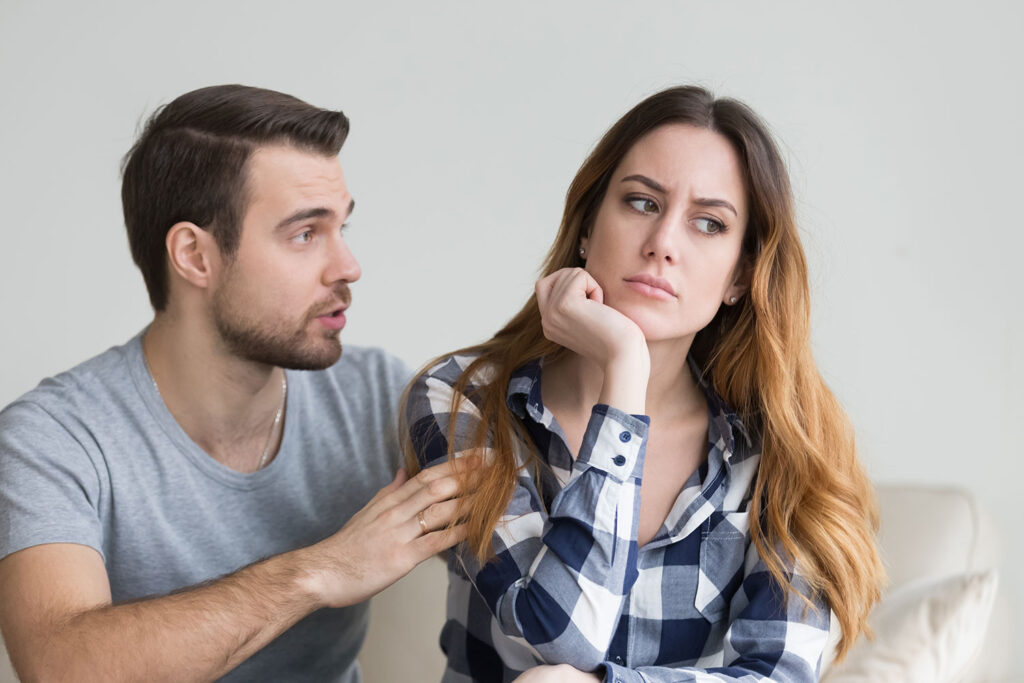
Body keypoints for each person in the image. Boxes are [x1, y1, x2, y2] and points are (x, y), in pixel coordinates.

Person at [403, 85, 885, 682]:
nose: (663, 245)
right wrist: (625, 370)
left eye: (709, 223)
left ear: (739, 275)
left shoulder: (780, 447)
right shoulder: (461, 399)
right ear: (586, 228)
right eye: (641, 203)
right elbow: (561, 635)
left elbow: (779, 675)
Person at [0, 84, 474, 682]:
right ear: (195, 256)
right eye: (305, 234)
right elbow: (59, 667)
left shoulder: (377, 395)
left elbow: (547, 520)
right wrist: (321, 571)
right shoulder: (52, 439)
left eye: (342, 228)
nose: (348, 267)